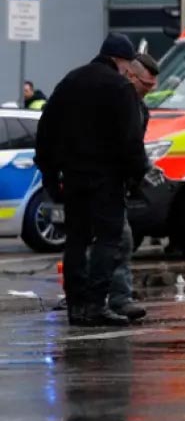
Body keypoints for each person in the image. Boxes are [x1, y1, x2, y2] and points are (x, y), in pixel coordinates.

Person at [34, 33, 149, 327]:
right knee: (108, 238)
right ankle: (97, 305)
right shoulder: (119, 87)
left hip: (72, 177)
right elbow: (130, 140)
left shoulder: (70, 81)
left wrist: (49, 173)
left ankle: (76, 306)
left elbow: (46, 129)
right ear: (119, 60)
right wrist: (137, 176)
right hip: (106, 179)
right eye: (127, 64)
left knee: (77, 238)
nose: (127, 71)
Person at [108, 53, 159, 321]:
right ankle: (117, 298)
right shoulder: (118, 102)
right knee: (120, 239)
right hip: (105, 182)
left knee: (112, 241)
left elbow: (135, 147)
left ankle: (105, 296)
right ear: (131, 76)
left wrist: (144, 170)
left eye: (153, 87)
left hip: (119, 184)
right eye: (146, 85)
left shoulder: (141, 109)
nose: (148, 92)